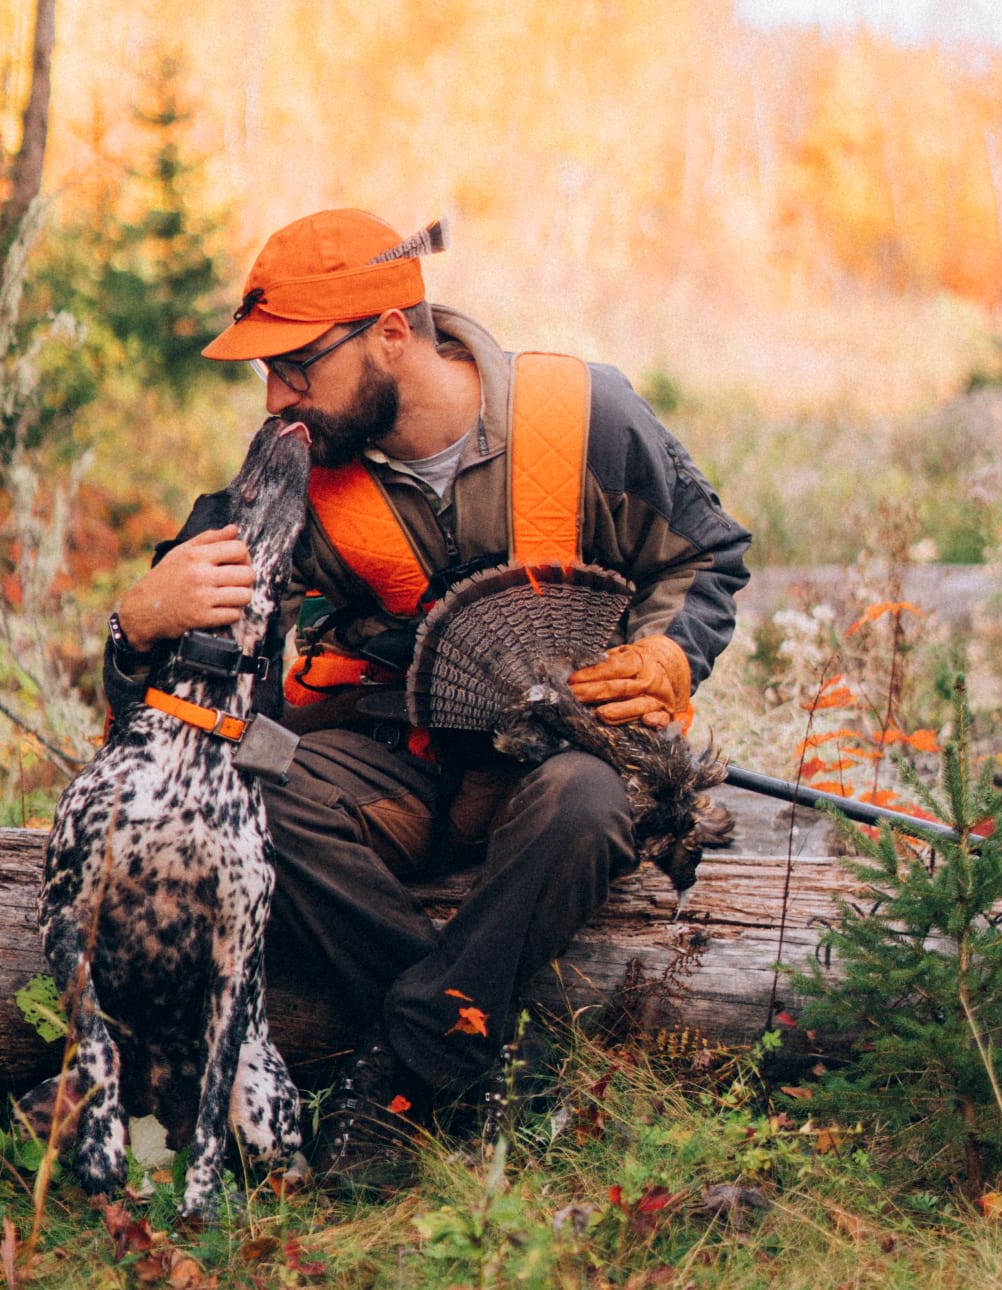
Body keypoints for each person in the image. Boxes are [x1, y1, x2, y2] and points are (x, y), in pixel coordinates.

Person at [102, 209, 751, 1189]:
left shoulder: (584, 415)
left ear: (391, 334)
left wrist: (668, 652)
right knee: (240, 784)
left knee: (585, 801)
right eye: (264, 372)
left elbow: (704, 557)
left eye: (295, 365)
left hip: (561, 767)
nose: (276, 396)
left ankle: (400, 1073)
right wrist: (137, 622)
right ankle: (470, 1052)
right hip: (393, 770)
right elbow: (195, 701)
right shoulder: (294, 467)